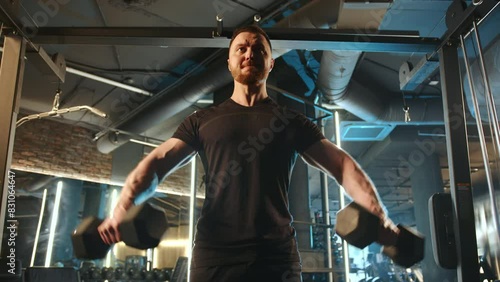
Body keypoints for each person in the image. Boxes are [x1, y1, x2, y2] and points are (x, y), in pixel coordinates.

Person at [98, 25, 398, 282]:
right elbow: (156, 165)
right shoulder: (201, 121)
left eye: (259, 49)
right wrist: (121, 208)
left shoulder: (291, 121)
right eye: (240, 48)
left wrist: (379, 216)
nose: (249, 53)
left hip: (276, 259)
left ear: (270, 64)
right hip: (214, 258)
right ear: (229, 62)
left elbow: (343, 166)